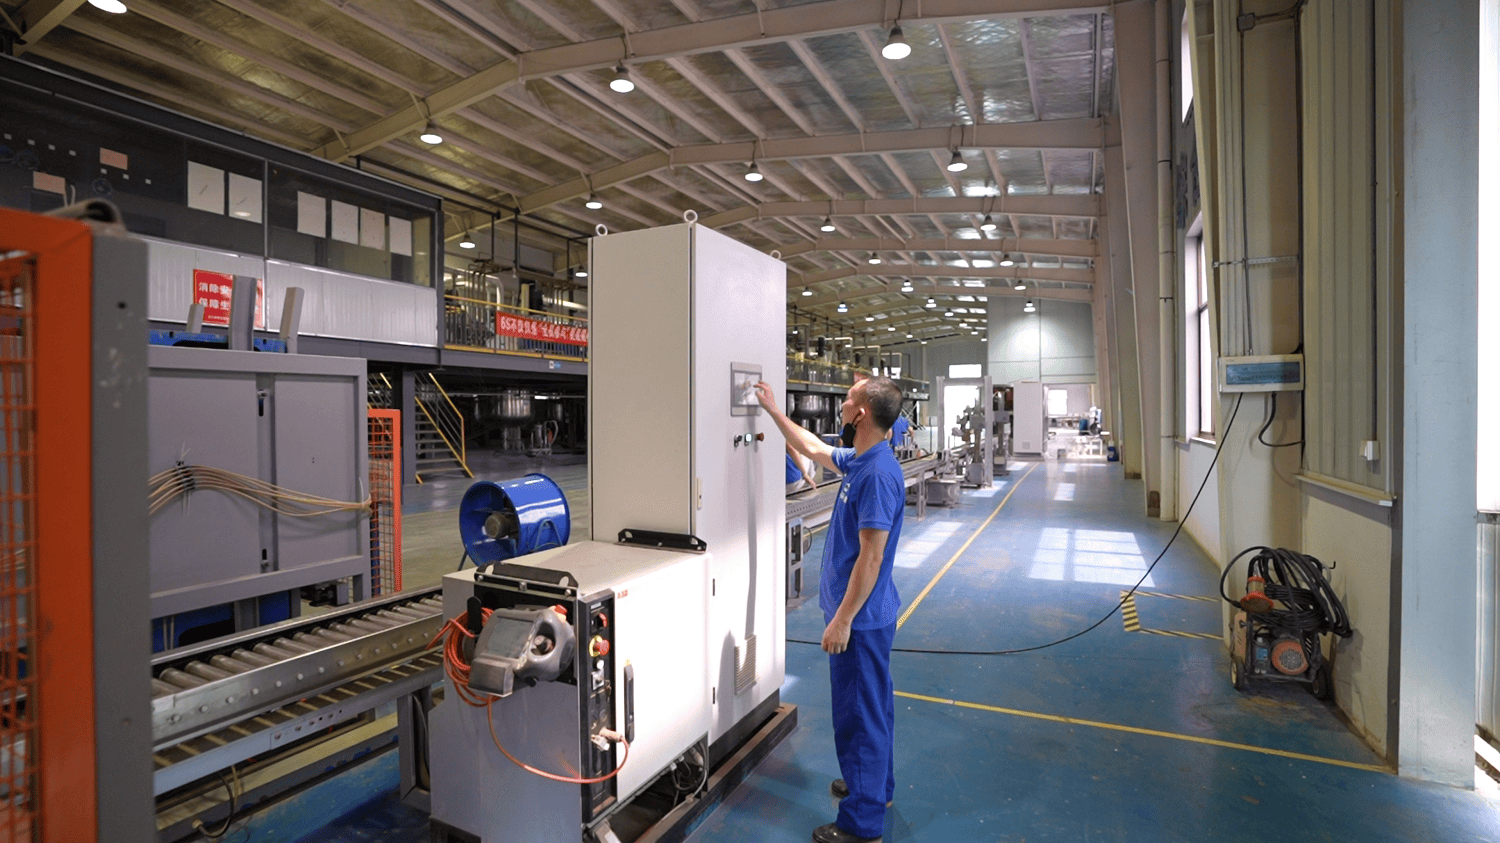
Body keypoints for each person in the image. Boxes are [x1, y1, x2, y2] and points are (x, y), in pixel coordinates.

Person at [755, 376, 904, 843]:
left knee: (859, 714)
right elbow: (815, 447)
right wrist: (773, 411)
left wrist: (842, 620)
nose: (841, 404)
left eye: (849, 398)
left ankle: (862, 822)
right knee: (872, 707)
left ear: (861, 414)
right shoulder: (862, 459)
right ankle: (875, 789)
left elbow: (871, 557)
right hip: (865, 614)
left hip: (860, 620)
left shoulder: (876, 475)